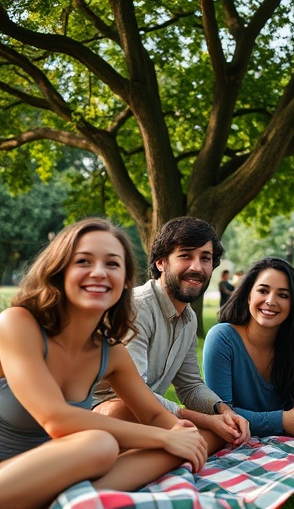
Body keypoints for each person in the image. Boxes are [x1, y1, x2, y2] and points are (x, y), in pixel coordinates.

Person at [0, 217, 209, 508]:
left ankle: (68, 501)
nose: (99, 272)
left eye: (112, 264)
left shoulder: (110, 352)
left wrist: (177, 434)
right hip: (7, 475)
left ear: (125, 281)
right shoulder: (17, 324)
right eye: (84, 261)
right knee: (100, 444)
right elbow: (56, 419)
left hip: (56, 469)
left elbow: (154, 417)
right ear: (60, 271)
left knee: (176, 447)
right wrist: (163, 437)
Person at [94, 217, 249, 451]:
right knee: (119, 411)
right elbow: (133, 393)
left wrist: (223, 411)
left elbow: (190, 386)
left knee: (222, 435)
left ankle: (171, 451)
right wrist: (206, 421)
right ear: (161, 263)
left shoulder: (189, 319)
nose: (197, 267)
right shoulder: (136, 307)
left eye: (205, 258)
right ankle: (177, 449)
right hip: (103, 411)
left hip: (151, 418)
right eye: (185, 255)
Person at [203, 257, 294, 438]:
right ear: (248, 295)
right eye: (263, 291)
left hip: (288, 454)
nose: (270, 301)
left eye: (283, 295)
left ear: (293, 305)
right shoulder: (222, 338)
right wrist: (282, 421)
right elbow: (221, 414)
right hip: (235, 446)